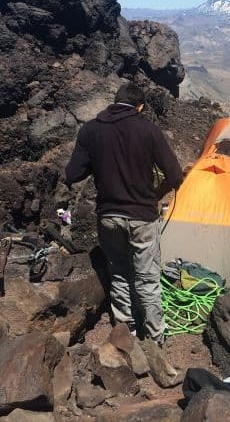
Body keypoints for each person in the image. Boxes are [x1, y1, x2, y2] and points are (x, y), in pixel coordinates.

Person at [65, 84, 183, 344]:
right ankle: (155, 338)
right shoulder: (148, 130)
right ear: (140, 107)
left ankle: (125, 333)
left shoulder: (91, 130)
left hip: (108, 216)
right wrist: (154, 195)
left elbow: (73, 174)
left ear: (115, 102)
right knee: (147, 278)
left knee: (118, 272)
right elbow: (175, 176)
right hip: (142, 216)